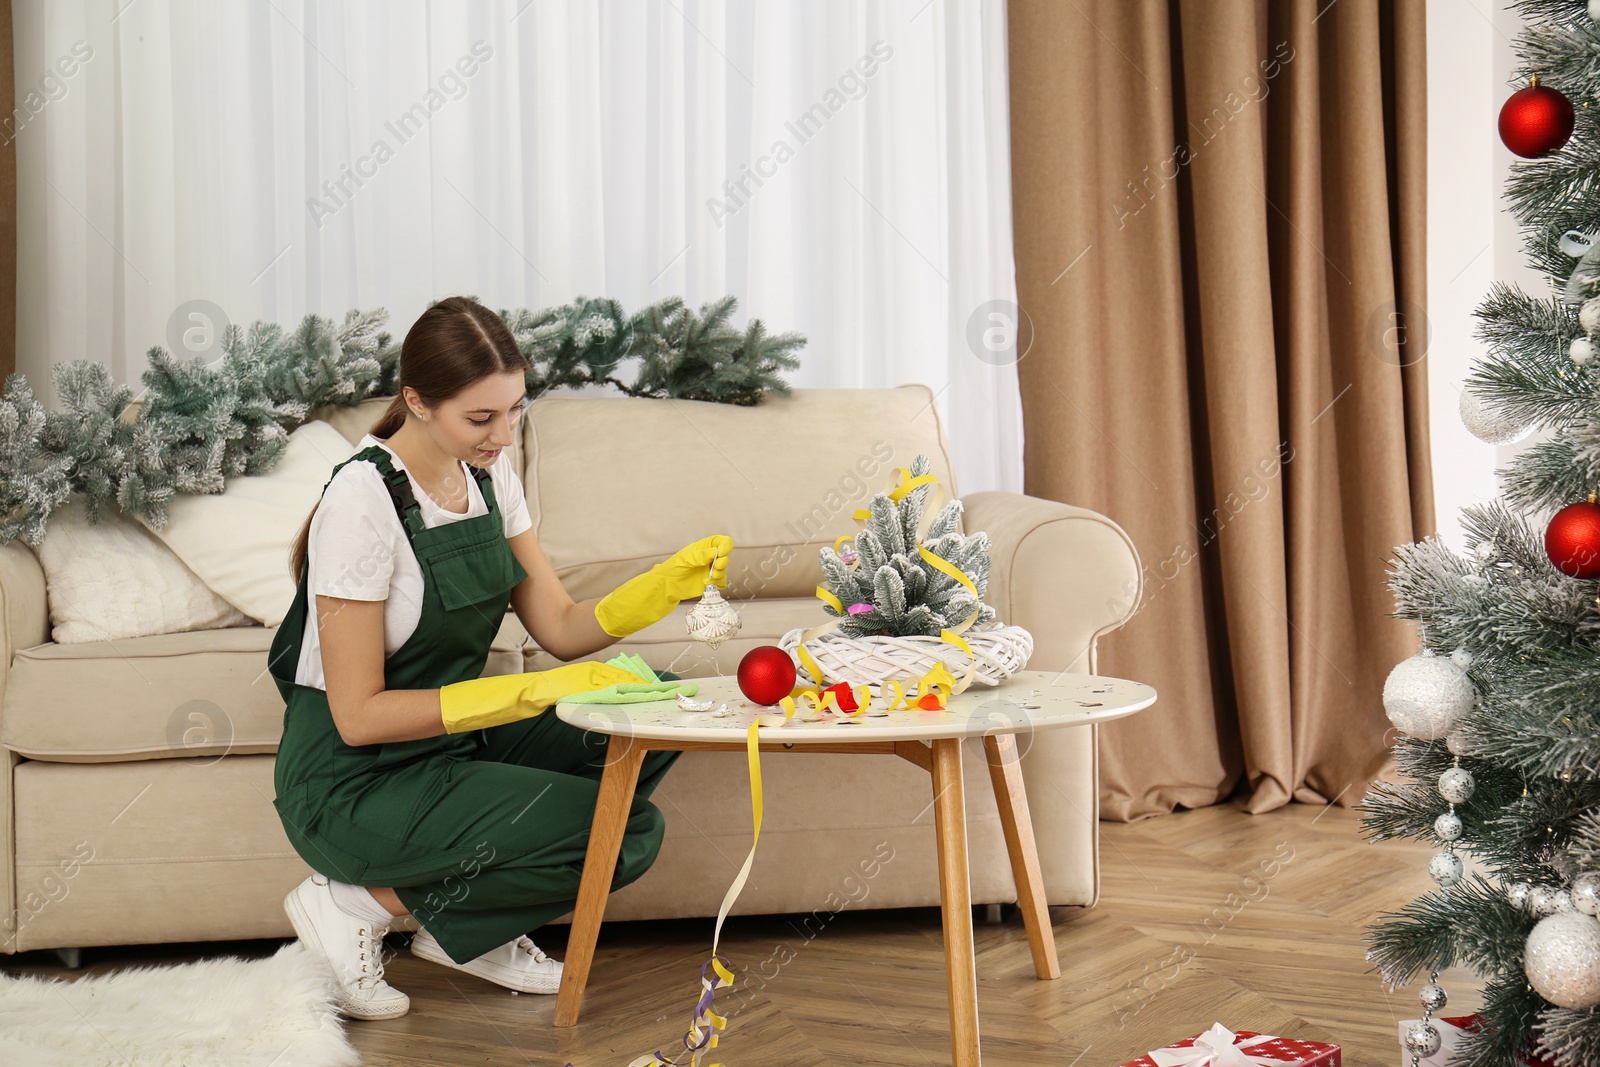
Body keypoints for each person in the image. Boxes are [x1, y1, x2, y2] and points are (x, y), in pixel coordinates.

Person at [265, 295, 733, 1020]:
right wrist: (528, 695)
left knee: (654, 703)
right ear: (417, 401)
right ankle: (352, 901)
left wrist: (660, 588)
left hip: (445, 747)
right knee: (629, 831)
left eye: (514, 410)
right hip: (350, 783)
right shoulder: (363, 502)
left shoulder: (487, 477)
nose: (503, 435)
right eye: (481, 418)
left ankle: (471, 930)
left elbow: (561, 625)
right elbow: (357, 717)